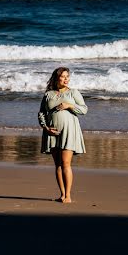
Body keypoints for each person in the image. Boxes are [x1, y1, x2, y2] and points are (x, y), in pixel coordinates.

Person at [38, 67, 87, 203]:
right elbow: (41, 113)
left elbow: (84, 109)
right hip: (52, 132)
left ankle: (68, 196)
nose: (66, 79)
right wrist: (45, 127)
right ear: (57, 78)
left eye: (68, 76)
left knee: (66, 163)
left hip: (69, 131)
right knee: (58, 164)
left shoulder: (73, 93)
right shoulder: (48, 95)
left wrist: (69, 106)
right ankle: (62, 194)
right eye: (63, 76)